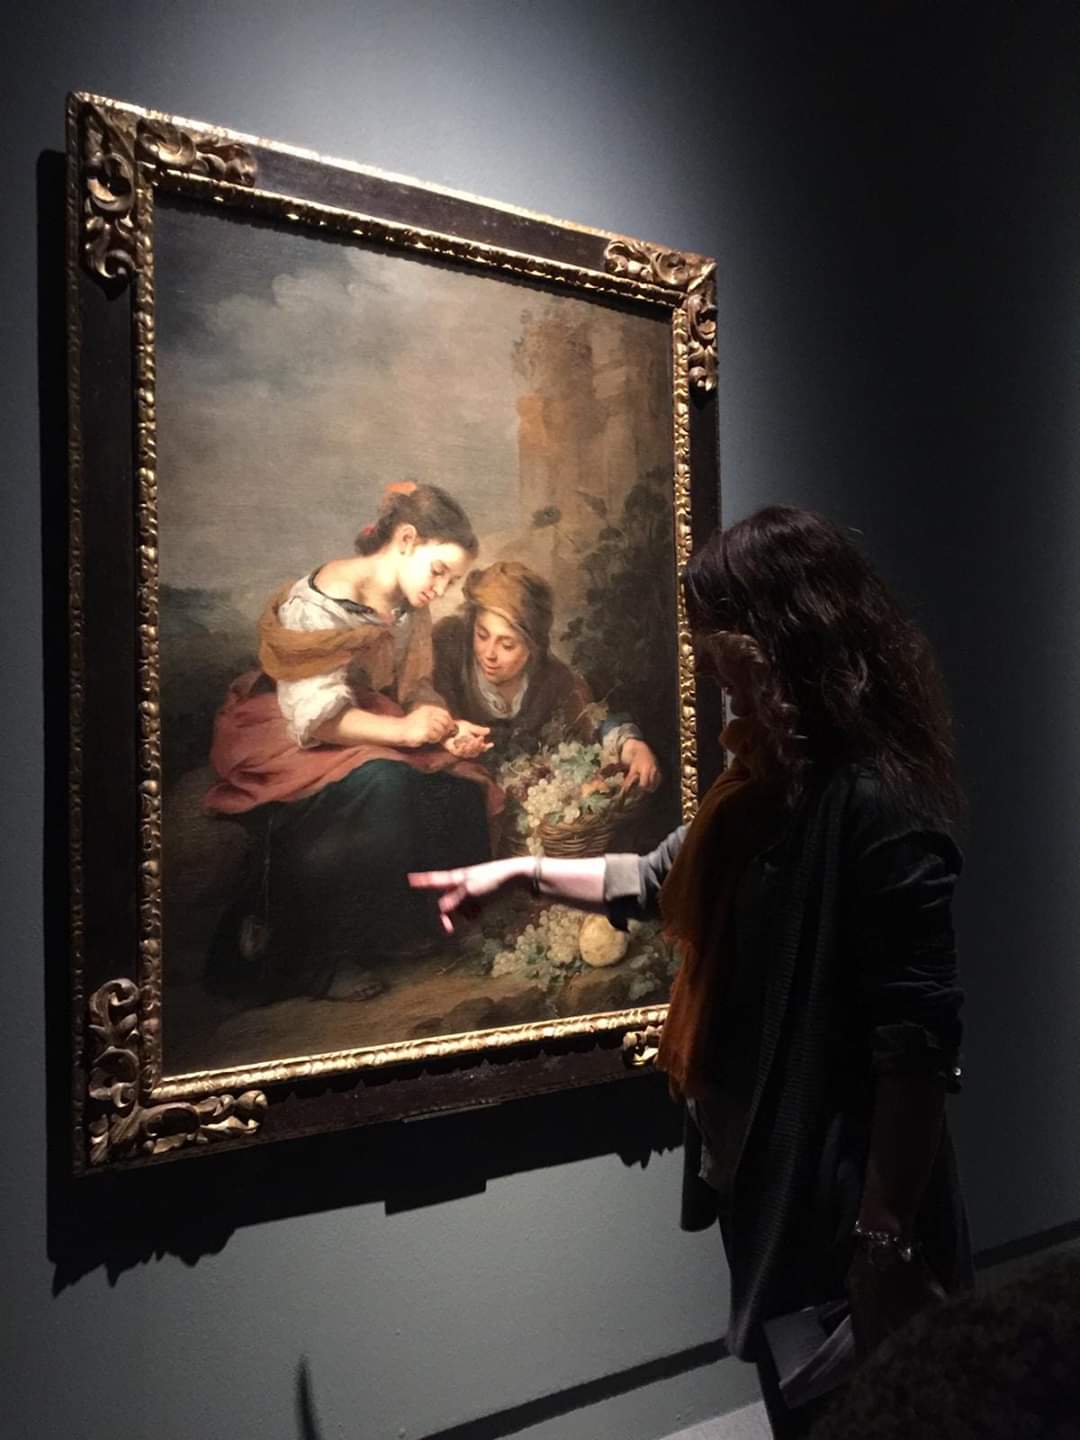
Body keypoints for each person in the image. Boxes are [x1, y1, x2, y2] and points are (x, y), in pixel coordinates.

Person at [410, 506, 970, 1437]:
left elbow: (917, 1047)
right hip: (766, 1180)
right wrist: (517, 872)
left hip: (842, 1202)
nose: (706, 659)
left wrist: (884, 1235)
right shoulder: (756, 788)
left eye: (718, 633)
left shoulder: (876, 805)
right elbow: (651, 877)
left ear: (781, 636)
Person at [204, 482, 498, 1003]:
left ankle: (423, 928)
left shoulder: (410, 606)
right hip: (292, 732)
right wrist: (404, 732)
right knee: (386, 785)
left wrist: (445, 726)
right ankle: (316, 961)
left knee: (460, 785)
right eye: (438, 571)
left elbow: (415, 687)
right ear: (405, 540)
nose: (441, 588)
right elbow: (315, 719)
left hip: (369, 722)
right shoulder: (316, 603)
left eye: (451, 581)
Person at [432, 559, 662, 791]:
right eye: (482, 635)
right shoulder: (448, 652)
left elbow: (593, 721)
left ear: (532, 647)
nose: (489, 653)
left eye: (507, 645)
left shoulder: (554, 679)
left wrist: (633, 746)